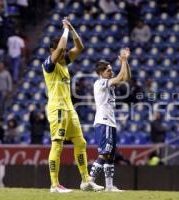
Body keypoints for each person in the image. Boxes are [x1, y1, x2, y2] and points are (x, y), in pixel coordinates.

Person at [42, 17, 103, 193]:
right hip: (57, 108)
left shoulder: (64, 62)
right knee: (58, 144)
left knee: (81, 142)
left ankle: (85, 181)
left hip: (69, 108)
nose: (64, 53)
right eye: (60, 52)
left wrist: (72, 28)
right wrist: (65, 29)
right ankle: (54, 185)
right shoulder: (49, 65)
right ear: (52, 51)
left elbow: (80, 47)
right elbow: (61, 47)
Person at [89, 48, 131, 192]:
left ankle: (109, 186)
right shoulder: (100, 83)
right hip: (103, 121)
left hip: (110, 122)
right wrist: (123, 61)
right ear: (101, 73)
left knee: (111, 156)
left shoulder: (108, 82)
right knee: (104, 153)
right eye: (108, 70)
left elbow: (126, 77)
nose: (110, 72)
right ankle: (89, 181)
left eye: (111, 70)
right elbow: (120, 78)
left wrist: (126, 62)